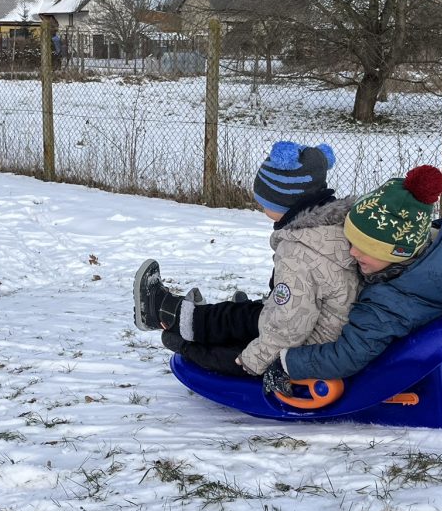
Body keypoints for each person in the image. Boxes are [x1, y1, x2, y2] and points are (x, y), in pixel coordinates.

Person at [133, 141, 361, 377]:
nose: (261, 207)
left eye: (265, 203)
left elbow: (289, 325)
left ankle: (173, 325)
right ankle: (180, 315)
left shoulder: (299, 251)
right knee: (243, 315)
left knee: (236, 341)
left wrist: (256, 358)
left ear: (285, 202)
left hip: (305, 351)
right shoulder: (331, 229)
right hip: (327, 331)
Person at [259, 165, 442, 396]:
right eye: (351, 242)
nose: (353, 252)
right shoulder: (433, 263)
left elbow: (348, 355)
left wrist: (287, 363)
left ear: (397, 252)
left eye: (365, 248)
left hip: (362, 365)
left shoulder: (389, 304)